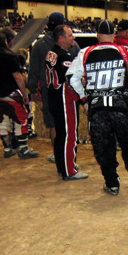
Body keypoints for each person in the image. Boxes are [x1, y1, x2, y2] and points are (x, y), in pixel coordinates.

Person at [66, 19, 128, 195]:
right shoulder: (126, 51)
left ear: (97, 35)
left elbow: (71, 78)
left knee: (103, 147)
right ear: (113, 34)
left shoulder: (85, 53)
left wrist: (84, 101)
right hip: (120, 106)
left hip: (97, 109)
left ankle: (112, 184)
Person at [27, 12, 80, 163]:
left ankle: (58, 155)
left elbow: (34, 70)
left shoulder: (39, 45)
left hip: (48, 90)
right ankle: (68, 157)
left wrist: (32, 90)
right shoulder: (73, 45)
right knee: (69, 124)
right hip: (69, 91)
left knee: (53, 124)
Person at [0, 32, 39, 159]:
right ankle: (23, 149)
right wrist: (24, 93)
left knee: (3, 120)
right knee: (21, 119)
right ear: (5, 42)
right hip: (10, 94)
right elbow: (17, 76)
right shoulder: (9, 55)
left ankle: (7, 149)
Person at [45, 25, 88, 181]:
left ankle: (62, 165)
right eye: (70, 35)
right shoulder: (63, 56)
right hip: (64, 100)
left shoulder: (51, 53)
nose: (73, 38)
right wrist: (83, 99)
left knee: (61, 134)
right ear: (61, 38)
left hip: (54, 98)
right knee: (69, 134)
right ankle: (69, 170)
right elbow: (71, 81)